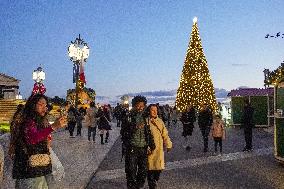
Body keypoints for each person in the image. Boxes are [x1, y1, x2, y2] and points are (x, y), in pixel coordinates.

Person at [11, 94, 67, 189]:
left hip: (36, 168)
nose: (44, 108)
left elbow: (40, 137)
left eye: (45, 106)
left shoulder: (38, 120)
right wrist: (53, 127)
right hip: (28, 169)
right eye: (41, 104)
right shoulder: (28, 120)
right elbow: (32, 138)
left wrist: (48, 135)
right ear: (32, 105)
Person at [120, 96, 155, 189]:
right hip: (132, 148)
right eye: (138, 105)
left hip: (143, 147)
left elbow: (148, 132)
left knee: (143, 170)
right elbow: (123, 133)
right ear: (134, 105)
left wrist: (151, 145)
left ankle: (139, 186)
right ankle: (131, 186)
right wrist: (135, 127)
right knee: (131, 170)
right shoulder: (128, 117)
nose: (140, 107)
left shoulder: (146, 117)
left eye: (142, 106)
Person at [146, 104, 172, 189]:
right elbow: (143, 136)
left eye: (156, 110)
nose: (154, 111)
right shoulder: (145, 121)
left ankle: (155, 181)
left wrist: (168, 144)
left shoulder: (160, 121)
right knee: (150, 169)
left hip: (159, 150)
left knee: (158, 169)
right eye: (152, 110)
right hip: (150, 150)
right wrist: (146, 147)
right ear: (149, 111)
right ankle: (152, 185)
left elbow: (165, 134)